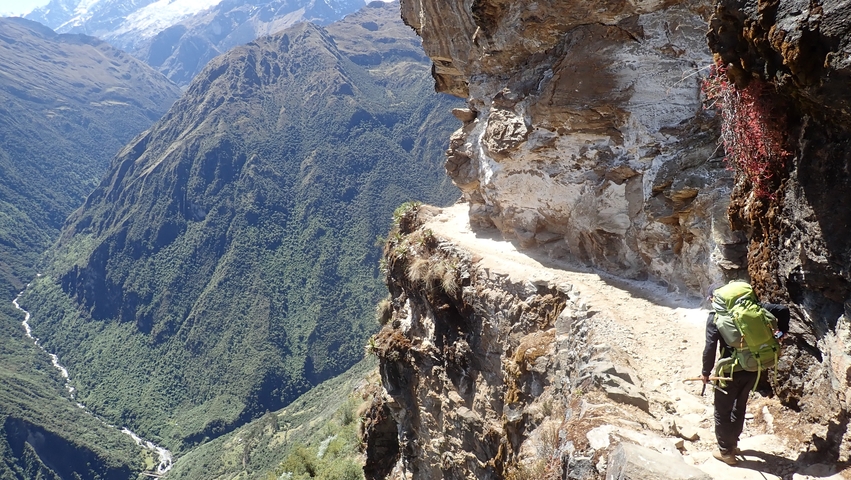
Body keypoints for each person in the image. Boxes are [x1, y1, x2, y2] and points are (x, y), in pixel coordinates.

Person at [701, 284, 789, 465]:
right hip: (753, 367)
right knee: (739, 406)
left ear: (714, 299)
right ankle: (732, 444)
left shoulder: (715, 318)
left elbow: (710, 348)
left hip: (728, 372)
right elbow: (782, 309)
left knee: (722, 411)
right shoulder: (753, 309)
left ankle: (726, 452)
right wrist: (781, 332)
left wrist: (705, 373)